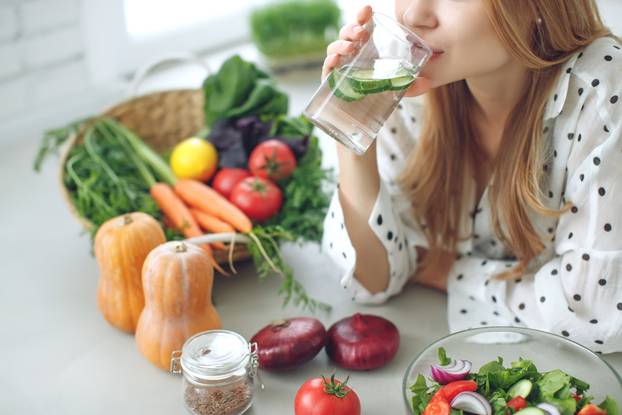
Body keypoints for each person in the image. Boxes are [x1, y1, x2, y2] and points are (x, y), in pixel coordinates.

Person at [321, 0, 622, 353]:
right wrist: (352, 127)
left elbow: (596, 314)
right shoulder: (404, 73)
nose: (412, 15)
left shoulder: (602, 91)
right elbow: (374, 282)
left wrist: (449, 271)